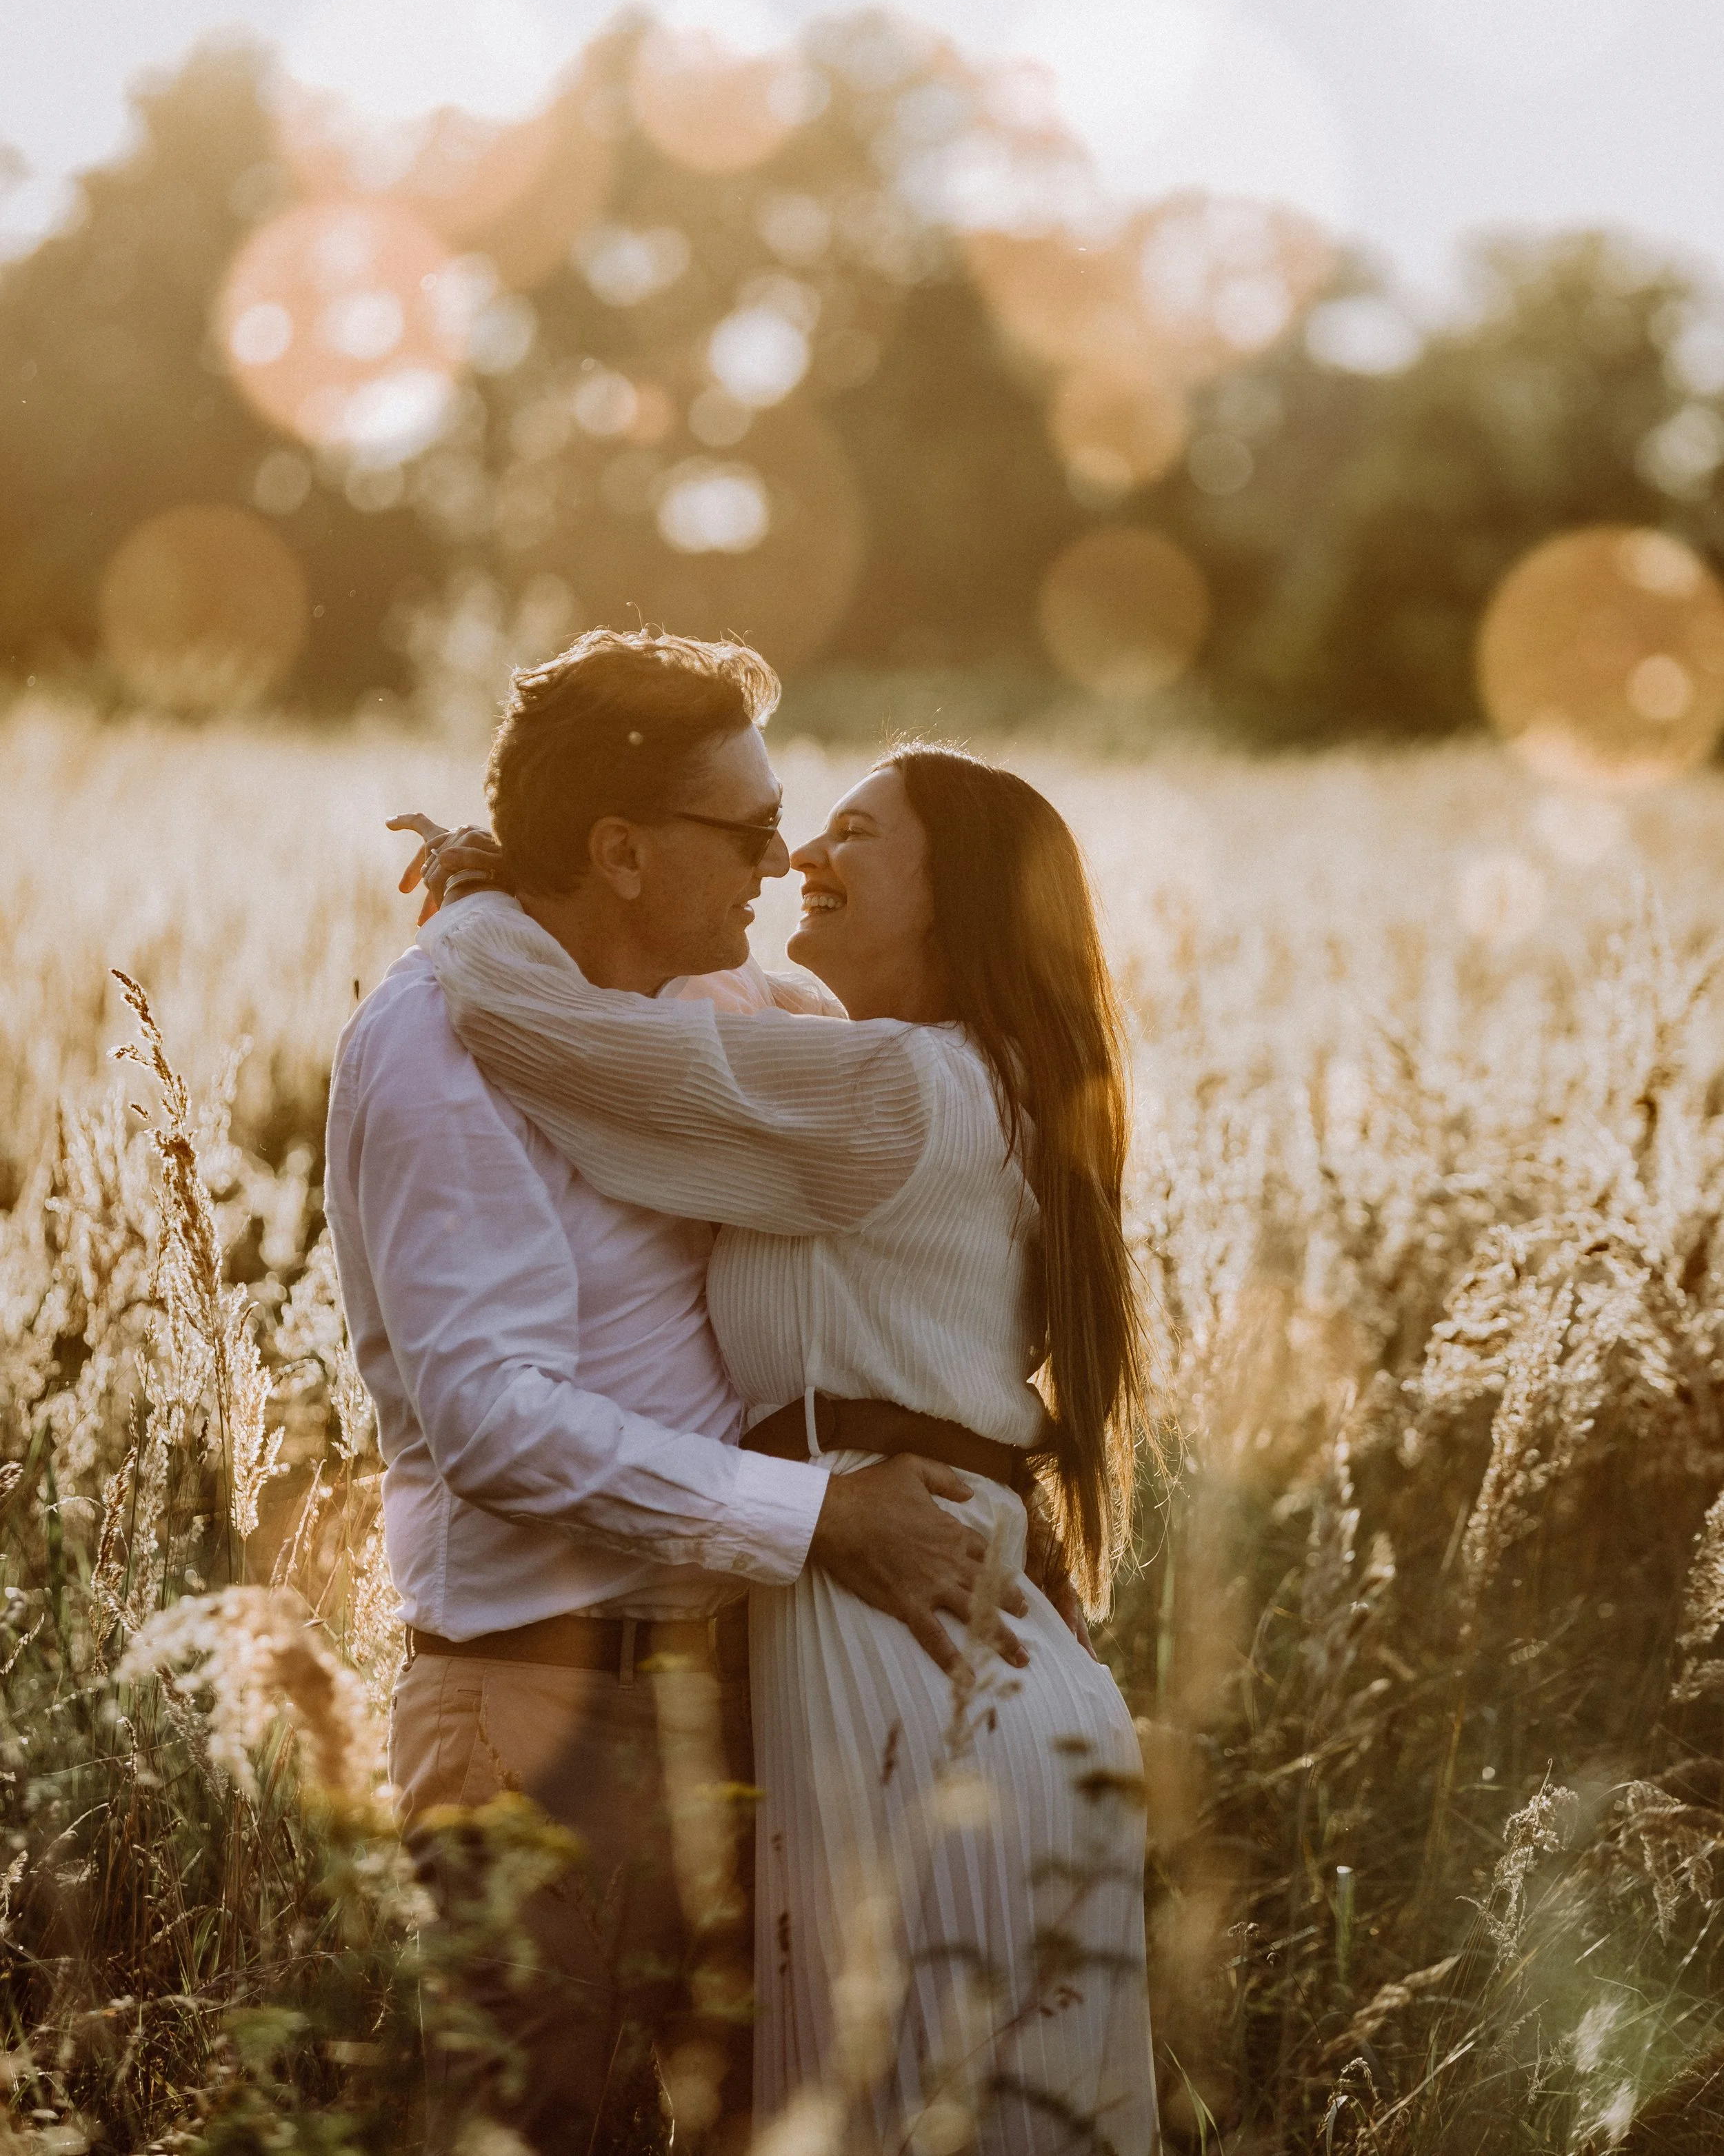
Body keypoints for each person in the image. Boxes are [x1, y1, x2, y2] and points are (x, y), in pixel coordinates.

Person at [325, 630, 1034, 2156]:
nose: (782, 861)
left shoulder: (709, 999)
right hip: (541, 1713)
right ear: (622, 852)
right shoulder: (436, 1042)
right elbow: (494, 1419)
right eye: (750, 828)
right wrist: (822, 1518)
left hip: (743, 1697)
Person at [411, 738, 1160, 2153]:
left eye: (854, 835)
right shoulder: (960, 1079)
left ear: (955, 895)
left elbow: (574, 1051)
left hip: (915, 1681)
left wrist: (494, 907)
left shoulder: (899, 1092)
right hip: (972, 1666)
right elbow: (742, 1011)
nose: (800, 858)